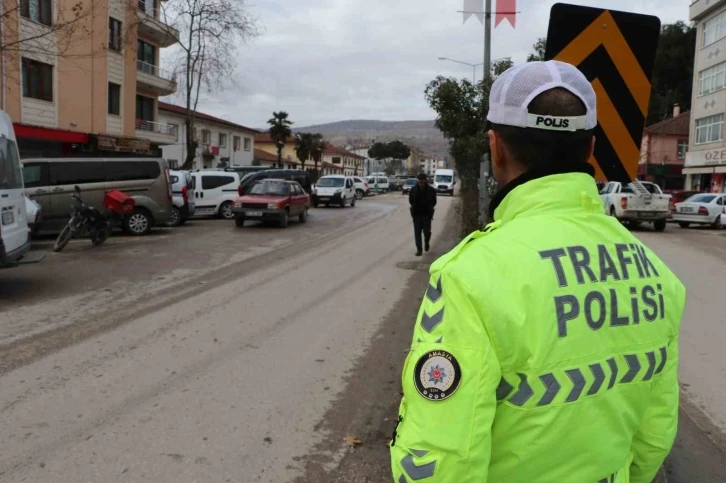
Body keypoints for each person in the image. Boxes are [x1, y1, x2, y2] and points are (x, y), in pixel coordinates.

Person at [390, 61, 685, 483]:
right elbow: (655, 434)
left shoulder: (469, 277)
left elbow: (439, 460)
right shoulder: (656, 272)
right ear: (590, 148)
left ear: (495, 147)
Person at [409, 173, 437, 256]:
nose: (420, 182)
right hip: (416, 214)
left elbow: (434, 202)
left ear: (425, 180)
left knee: (427, 232)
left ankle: (426, 242)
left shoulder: (431, 190)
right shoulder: (413, 189)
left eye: (422, 180)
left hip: (427, 215)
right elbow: (411, 201)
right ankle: (419, 250)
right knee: (417, 233)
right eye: (419, 180)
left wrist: (429, 207)